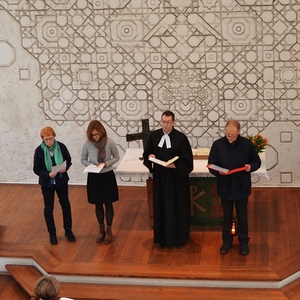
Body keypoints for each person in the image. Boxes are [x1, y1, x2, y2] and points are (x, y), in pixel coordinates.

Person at [208, 120, 261, 256]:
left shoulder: (247, 144)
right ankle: (227, 242)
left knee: (242, 217)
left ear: (239, 131)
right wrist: (217, 171)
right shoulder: (218, 145)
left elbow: (256, 161)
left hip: (241, 186)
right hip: (225, 187)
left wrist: (250, 167)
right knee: (226, 217)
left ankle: (243, 242)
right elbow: (211, 164)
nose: (229, 137)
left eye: (232, 134)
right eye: (227, 134)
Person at [143, 111, 193, 249]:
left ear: (174, 122)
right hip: (160, 178)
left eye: (168, 122)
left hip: (176, 179)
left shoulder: (181, 138)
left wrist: (176, 165)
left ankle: (179, 239)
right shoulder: (154, 136)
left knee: (176, 207)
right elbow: (146, 153)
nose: (165, 125)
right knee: (161, 206)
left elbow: (188, 162)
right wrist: (150, 156)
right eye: (163, 122)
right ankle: (162, 238)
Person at [33, 127, 76, 245]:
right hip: (47, 183)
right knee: (48, 209)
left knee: (65, 205)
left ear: (54, 136)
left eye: (51, 138)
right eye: (46, 139)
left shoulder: (61, 147)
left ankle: (68, 230)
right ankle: (52, 234)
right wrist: (47, 174)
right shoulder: (39, 151)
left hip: (61, 181)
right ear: (42, 139)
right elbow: (36, 169)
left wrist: (65, 168)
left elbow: (68, 160)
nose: (49, 141)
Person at [81, 120, 119, 244]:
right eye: (92, 135)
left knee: (108, 203)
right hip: (94, 177)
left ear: (101, 132)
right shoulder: (87, 144)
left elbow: (116, 157)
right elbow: (83, 159)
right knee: (98, 204)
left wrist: (106, 164)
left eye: (96, 134)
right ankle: (101, 229)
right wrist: (91, 165)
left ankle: (109, 230)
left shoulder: (110, 142)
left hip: (107, 175)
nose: (95, 137)